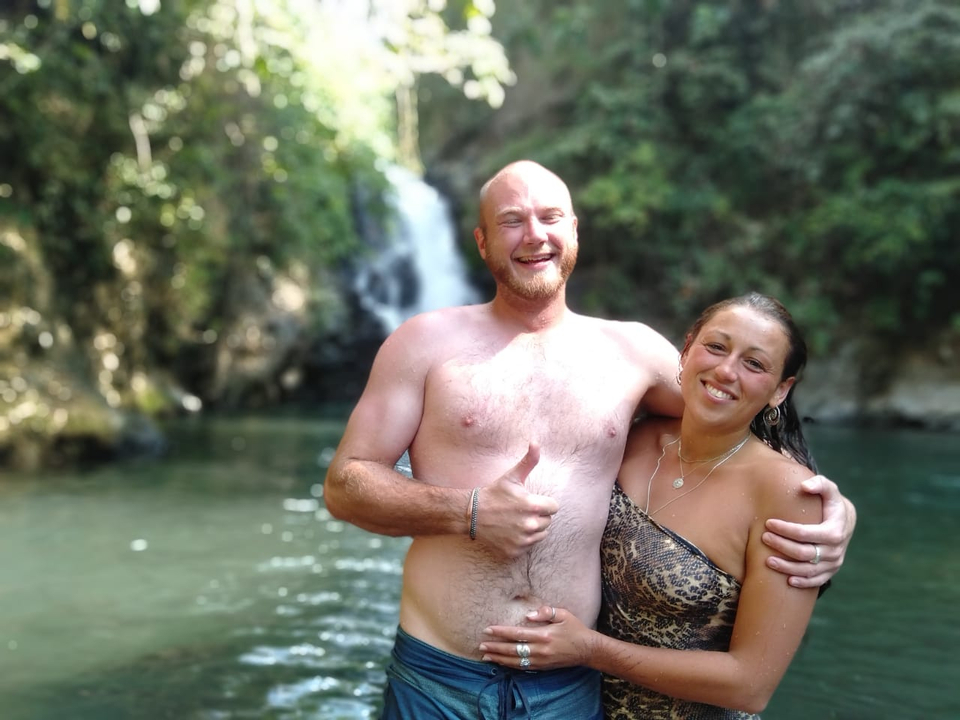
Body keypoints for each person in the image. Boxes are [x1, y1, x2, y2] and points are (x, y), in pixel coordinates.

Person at [323, 161, 855, 719]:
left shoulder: (635, 354)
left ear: (574, 230)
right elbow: (345, 484)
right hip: (439, 676)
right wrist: (469, 510)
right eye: (512, 221)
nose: (534, 235)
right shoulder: (423, 342)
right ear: (481, 241)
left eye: (550, 217)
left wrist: (833, 506)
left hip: (569, 687)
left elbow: (733, 416)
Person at [480, 292, 832, 718]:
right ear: (686, 350)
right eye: (716, 347)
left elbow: (750, 685)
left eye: (754, 363)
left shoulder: (788, 494)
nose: (725, 370)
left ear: (781, 390)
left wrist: (590, 650)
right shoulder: (633, 439)